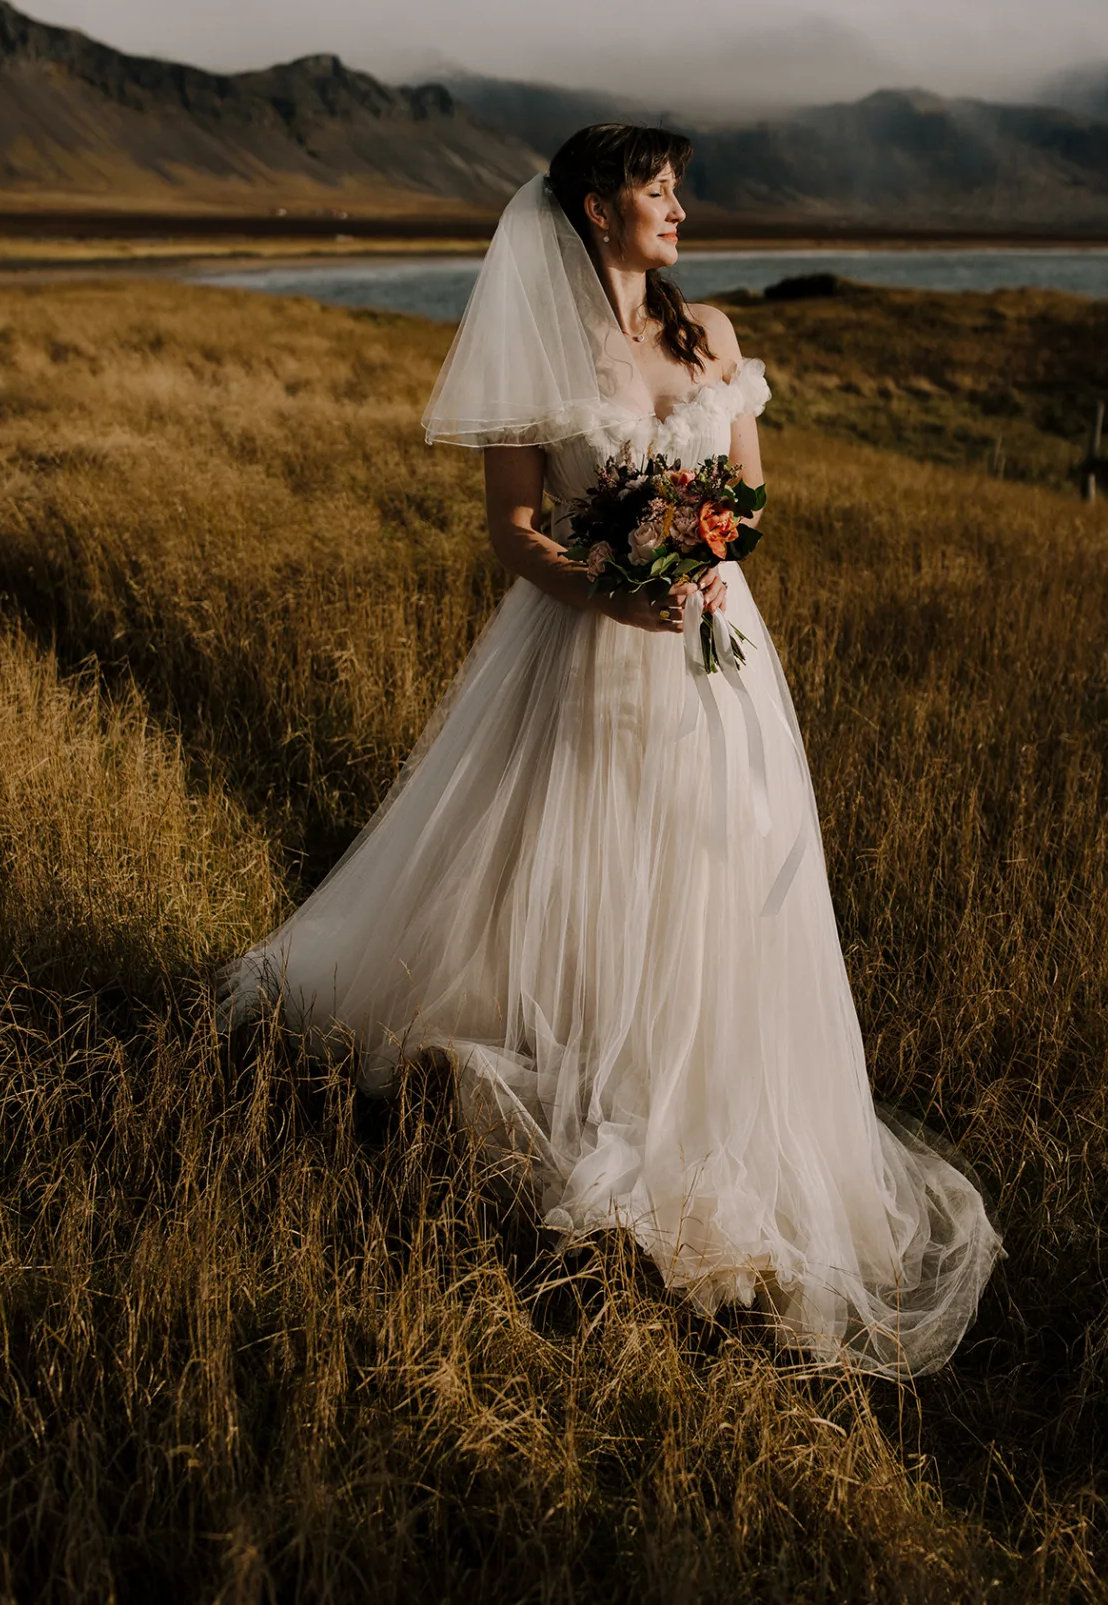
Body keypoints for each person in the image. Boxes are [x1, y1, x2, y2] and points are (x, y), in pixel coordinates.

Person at [218, 123, 1001, 1375]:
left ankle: (709, 1109)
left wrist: (696, 554)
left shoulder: (711, 340)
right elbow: (514, 533)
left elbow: (744, 498)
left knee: (717, 867)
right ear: (594, 209)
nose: (679, 208)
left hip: (715, 648)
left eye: (679, 188)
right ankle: (580, 1084)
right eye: (657, 188)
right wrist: (616, 584)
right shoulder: (539, 352)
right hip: (587, 643)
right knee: (584, 863)